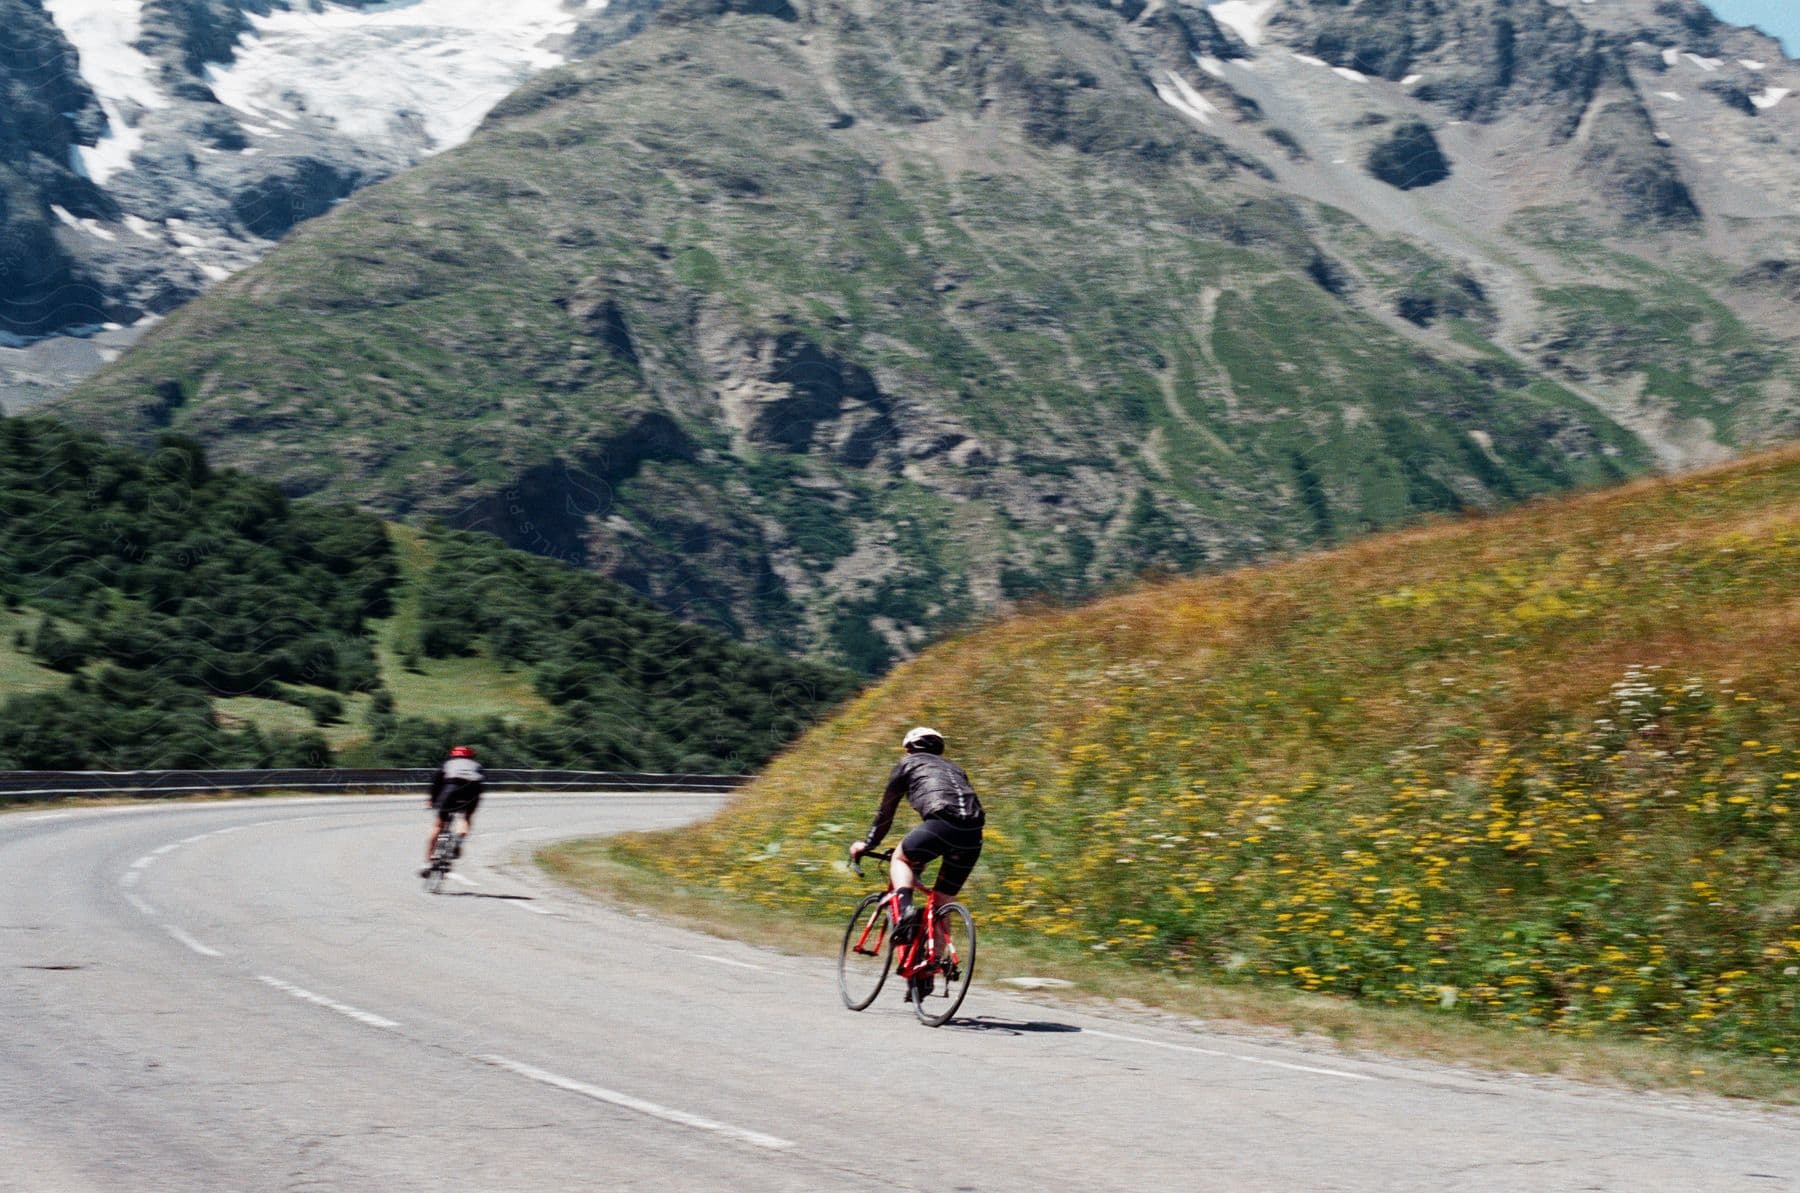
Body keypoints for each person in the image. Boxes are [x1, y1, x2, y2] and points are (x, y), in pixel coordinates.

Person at [848, 727, 985, 994]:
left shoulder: (907, 764)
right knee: (942, 901)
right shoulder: (955, 769)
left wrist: (868, 844)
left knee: (900, 858)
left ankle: (907, 912)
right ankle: (930, 965)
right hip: (973, 835)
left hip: (939, 825)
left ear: (909, 748)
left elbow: (885, 812)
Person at [422, 745, 484, 876]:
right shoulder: (477, 766)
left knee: (439, 825)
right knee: (465, 818)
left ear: (453, 755)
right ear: (471, 757)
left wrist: (431, 800)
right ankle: (458, 841)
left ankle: (428, 860)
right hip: (471, 793)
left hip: (451, 791)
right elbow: (481, 785)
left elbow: (436, 783)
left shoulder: (448, 764)